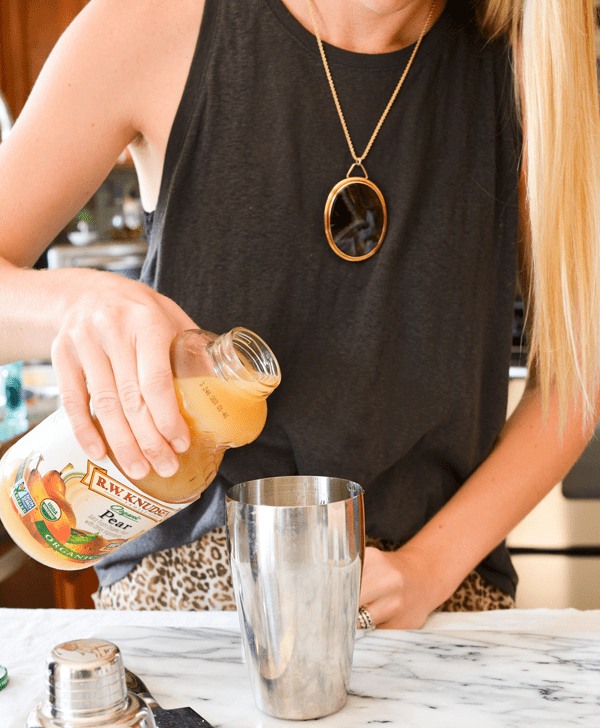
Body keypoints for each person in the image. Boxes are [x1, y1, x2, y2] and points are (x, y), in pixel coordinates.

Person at [1, 0, 600, 628]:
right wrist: (82, 302)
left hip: (430, 594)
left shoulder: (532, 60)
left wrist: (430, 566)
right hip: (189, 589)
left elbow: (576, 374)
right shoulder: (154, 22)